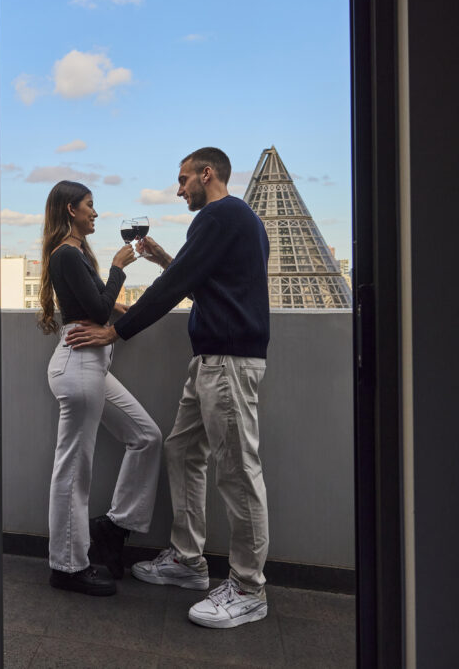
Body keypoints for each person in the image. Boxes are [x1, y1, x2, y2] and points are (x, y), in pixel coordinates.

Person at [66, 147, 271, 628]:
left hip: (228, 362)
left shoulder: (219, 215)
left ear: (206, 174)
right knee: (181, 451)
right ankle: (187, 560)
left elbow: (179, 285)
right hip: (211, 361)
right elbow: (206, 284)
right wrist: (164, 259)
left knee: (238, 473)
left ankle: (248, 588)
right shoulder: (240, 220)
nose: (179, 190)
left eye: (183, 181)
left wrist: (116, 330)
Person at [39, 180, 164, 596]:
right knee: (74, 470)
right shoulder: (67, 254)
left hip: (91, 365)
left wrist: (117, 304)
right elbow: (93, 309)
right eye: (90, 206)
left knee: (146, 436)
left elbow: (93, 304)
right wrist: (117, 268)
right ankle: (68, 566)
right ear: (71, 210)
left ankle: (114, 526)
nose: (95, 213)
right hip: (79, 366)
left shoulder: (73, 255)